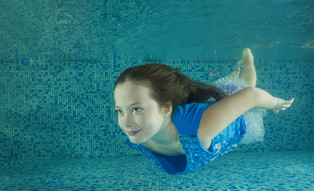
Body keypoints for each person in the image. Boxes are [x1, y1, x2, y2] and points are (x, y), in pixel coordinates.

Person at [114, 48, 294, 175]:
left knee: (245, 91)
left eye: (136, 109)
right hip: (210, 111)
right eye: (120, 111)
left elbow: (252, 96)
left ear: (166, 108)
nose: (126, 123)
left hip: (230, 121)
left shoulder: (198, 128)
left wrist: (276, 104)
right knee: (230, 92)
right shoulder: (138, 134)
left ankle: (248, 61)